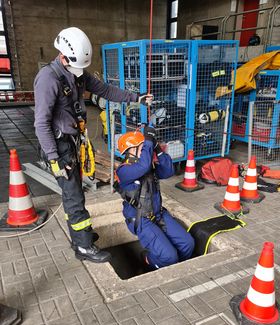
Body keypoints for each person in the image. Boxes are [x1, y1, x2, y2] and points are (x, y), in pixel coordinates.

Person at [33, 27, 153, 263]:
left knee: (76, 193)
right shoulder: (48, 79)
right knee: (74, 196)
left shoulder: (77, 74)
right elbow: (41, 123)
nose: (81, 75)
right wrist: (54, 159)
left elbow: (105, 90)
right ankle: (83, 247)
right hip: (59, 147)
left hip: (72, 142)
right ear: (63, 56)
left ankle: (81, 235)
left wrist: (135, 98)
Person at [115, 127, 195, 269]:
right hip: (141, 219)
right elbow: (143, 167)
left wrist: (157, 148)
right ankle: (147, 259)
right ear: (131, 150)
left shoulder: (148, 166)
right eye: (143, 147)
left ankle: (174, 266)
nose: (148, 150)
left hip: (158, 214)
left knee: (187, 244)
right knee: (169, 256)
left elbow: (168, 171)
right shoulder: (124, 170)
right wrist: (148, 140)